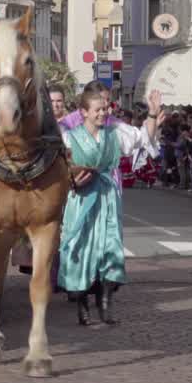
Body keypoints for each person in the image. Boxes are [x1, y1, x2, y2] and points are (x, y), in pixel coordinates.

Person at [58, 87, 127, 326]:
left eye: (104, 109)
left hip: (107, 198)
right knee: (80, 249)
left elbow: (141, 139)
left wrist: (151, 116)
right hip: (81, 199)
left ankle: (105, 303)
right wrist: (72, 178)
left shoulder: (114, 134)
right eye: (97, 110)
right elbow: (57, 166)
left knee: (110, 247)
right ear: (84, 112)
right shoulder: (69, 137)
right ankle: (82, 305)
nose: (102, 113)